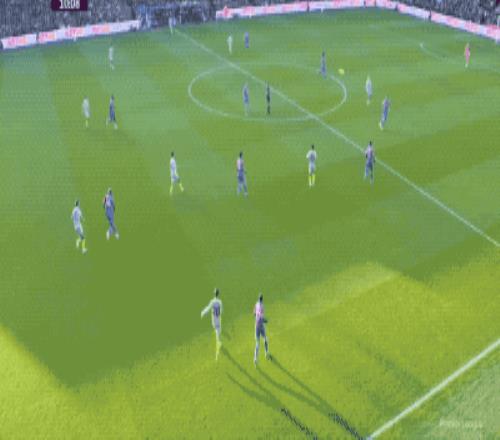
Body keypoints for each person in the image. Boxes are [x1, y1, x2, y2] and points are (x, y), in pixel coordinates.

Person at [201, 288, 223, 360]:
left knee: (217, 331)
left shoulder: (212, 301)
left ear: (214, 294)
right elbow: (221, 311)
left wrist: (202, 313)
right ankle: (218, 346)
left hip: (213, 320)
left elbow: (208, 309)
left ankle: (218, 344)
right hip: (218, 319)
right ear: (218, 294)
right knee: (218, 333)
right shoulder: (220, 302)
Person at [254, 293, 270, 365]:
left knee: (257, 343)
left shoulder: (256, 304)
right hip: (261, 326)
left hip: (256, 326)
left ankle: (255, 358)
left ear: (258, 299)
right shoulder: (262, 306)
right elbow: (261, 317)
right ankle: (266, 353)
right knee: (265, 339)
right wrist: (265, 321)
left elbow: (254, 313)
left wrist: (257, 319)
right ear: (262, 299)